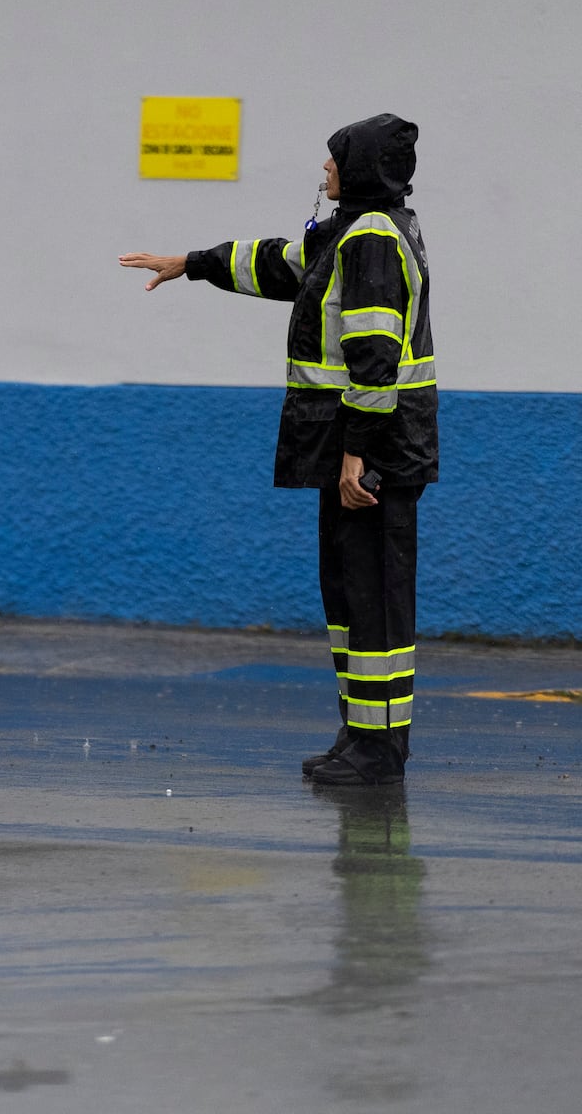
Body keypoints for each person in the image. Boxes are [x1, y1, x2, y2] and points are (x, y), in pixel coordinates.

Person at [118, 113, 436, 787]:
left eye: (332, 162)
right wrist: (192, 264)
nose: (323, 172)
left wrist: (357, 453)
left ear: (359, 169)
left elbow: (376, 358)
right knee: (349, 598)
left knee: (375, 599)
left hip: (374, 451)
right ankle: (359, 735)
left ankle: (381, 751)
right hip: (354, 446)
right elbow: (277, 262)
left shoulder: (374, 237)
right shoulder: (349, 233)